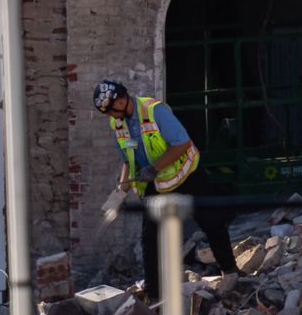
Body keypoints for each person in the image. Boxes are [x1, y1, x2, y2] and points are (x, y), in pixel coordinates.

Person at [94, 78, 242, 289]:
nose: (110, 117)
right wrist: (121, 191)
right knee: (150, 239)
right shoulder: (117, 123)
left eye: (109, 111)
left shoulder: (155, 111)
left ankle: (230, 270)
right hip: (157, 183)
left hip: (187, 174)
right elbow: (128, 159)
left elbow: (182, 144)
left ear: (118, 102)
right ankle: (153, 293)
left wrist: (154, 168)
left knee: (211, 221)